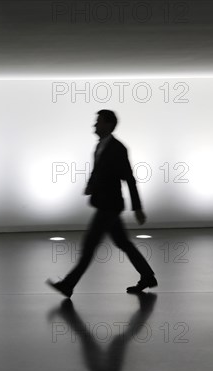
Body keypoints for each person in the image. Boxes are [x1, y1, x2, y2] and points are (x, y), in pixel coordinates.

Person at [46, 110, 156, 297]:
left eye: (98, 122)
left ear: (109, 125)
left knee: (89, 245)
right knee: (123, 243)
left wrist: (137, 207)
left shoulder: (117, 148)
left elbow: (129, 178)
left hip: (109, 206)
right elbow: (98, 171)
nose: (94, 125)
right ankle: (148, 276)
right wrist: (90, 185)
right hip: (106, 204)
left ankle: (68, 284)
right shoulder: (100, 146)